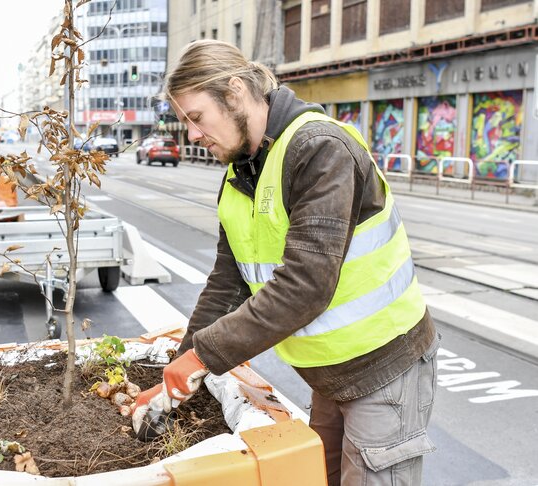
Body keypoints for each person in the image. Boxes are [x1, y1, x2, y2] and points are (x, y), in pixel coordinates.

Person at [132, 39, 440, 486]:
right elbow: (226, 285)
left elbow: (306, 284)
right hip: (330, 375)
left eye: (196, 119)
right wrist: (173, 382)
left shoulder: (319, 149)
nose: (192, 136)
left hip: (384, 370)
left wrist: (202, 356)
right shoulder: (243, 175)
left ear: (235, 92)